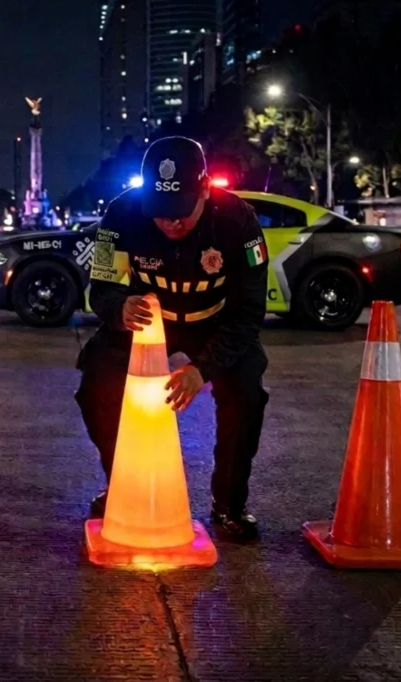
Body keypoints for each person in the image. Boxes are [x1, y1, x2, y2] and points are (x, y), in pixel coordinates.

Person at [75, 136, 270, 541]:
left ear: (204, 189)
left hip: (216, 323)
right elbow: (101, 289)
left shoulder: (239, 222)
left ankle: (228, 504)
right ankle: (122, 485)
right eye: (161, 215)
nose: (171, 224)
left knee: (245, 394)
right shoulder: (122, 214)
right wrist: (117, 309)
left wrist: (202, 369)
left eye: (181, 213)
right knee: (95, 382)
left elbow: (248, 313)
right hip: (148, 323)